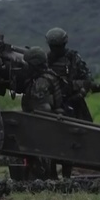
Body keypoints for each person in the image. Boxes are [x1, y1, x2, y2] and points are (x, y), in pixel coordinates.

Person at [20, 47, 68, 179]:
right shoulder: (48, 76)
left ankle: (44, 178)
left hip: (44, 124)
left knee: (42, 154)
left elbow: (42, 109)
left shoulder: (41, 82)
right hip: (50, 121)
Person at [44, 27, 94, 122]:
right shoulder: (46, 60)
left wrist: (80, 93)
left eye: (58, 46)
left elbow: (88, 79)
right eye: (53, 46)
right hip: (52, 103)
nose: (55, 49)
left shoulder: (73, 58)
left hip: (74, 102)